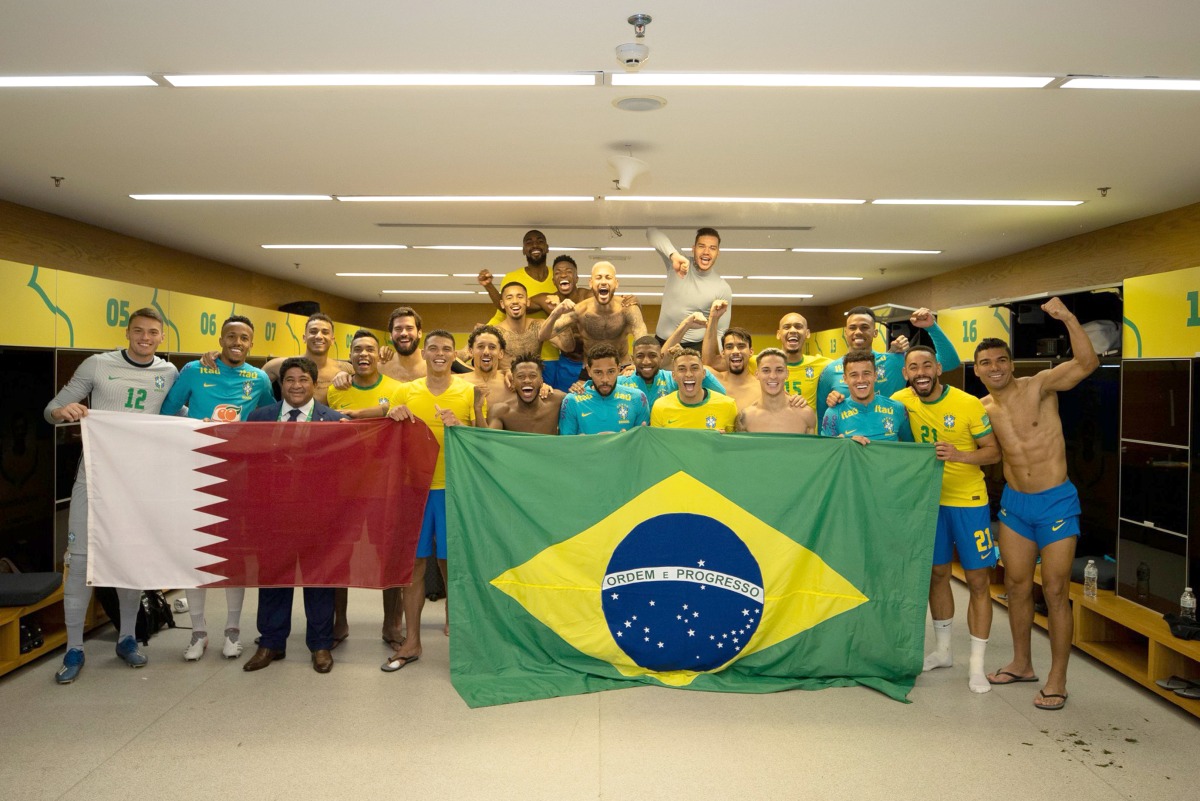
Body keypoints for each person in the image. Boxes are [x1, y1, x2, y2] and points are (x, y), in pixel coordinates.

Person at [44, 307, 179, 684]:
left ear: (162, 337)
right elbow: (51, 409)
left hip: (137, 480)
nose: (145, 337)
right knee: (81, 558)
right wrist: (63, 411)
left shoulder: (168, 372)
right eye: (138, 331)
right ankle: (74, 647)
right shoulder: (97, 365)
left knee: (129, 557)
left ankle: (126, 638)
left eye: (153, 332)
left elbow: (174, 412)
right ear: (127, 332)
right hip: (95, 475)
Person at [978, 298, 1098, 711]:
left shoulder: (1040, 386)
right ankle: (1021, 663)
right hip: (1015, 505)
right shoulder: (983, 410)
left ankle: (1058, 679)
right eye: (985, 363)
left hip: (1056, 503)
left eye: (1000, 360)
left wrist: (1066, 317)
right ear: (976, 370)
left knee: (1056, 588)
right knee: (1014, 585)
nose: (994, 368)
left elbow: (1086, 364)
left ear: (1011, 364)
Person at [160, 314, 274, 661]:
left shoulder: (258, 378)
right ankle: (197, 632)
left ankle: (232, 631)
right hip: (195, 471)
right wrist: (195, 426)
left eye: (244, 338)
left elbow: (268, 419)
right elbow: (167, 412)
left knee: (232, 554)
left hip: (239, 476)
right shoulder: (195, 370)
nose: (237, 343)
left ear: (251, 344)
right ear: (220, 339)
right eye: (231, 337)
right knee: (195, 552)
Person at [892, 345, 1001, 694]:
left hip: (968, 502)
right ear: (906, 373)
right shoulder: (899, 401)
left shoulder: (968, 403)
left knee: (978, 580)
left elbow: (993, 452)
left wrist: (959, 455)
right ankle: (942, 652)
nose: (920, 372)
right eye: (913, 367)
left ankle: (977, 666)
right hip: (927, 503)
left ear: (939, 368)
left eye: (927, 365)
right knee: (937, 575)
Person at [382, 331, 484, 671]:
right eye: (434, 349)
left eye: (446, 349)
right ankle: (411, 642)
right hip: (416, 490)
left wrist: (461, 428)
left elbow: (484, 440)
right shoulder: (404, 391)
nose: (439, 354)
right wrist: (390, 416)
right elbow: (388, 438)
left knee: (452, 565)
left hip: (455, 489)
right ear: (424, 353)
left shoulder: (469, 391)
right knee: (414, 565)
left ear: (455, 354)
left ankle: (459, 633)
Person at [243, 358, 346, 674]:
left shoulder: (335, 422)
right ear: (281, 384)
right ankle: (271, 643)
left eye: (303, 379)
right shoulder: (260, 418)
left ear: (315, 384)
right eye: (289, 379)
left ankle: (320, 645)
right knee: (273, 578)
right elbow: (247, 467)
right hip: (273, 516)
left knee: (319, 581)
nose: (296, 385)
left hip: (319, 517)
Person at [324, 329, 408, 648]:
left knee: (389, 554)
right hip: (344, 485)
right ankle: (339, 623)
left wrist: (368, 412)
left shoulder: (397, 389)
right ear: (350, 353)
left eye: (369, 349)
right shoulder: (336, 390)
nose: (363, 354)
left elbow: (399, 413)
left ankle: (391, 627)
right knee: (340, 555)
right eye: (357, 349)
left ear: (379, 354)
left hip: (384, 483)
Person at [818, 307, 961, 405]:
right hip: (849, 445)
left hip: (890, 444)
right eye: (852, 327)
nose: (858, 332)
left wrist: (931, 327)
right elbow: (823, 419)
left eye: (865, 327)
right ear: (845, 332)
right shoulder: (830, 371)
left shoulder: (894, 361)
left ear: (875, 332)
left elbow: (950, 362)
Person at [542, 262, 647, 367]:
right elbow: (544, 335)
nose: (603, 282)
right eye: (599, 277)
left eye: (608, 277)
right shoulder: (580, 310)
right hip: (591, 369)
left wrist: (635, 366)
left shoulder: (628, 308)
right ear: (591, 283)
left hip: (623, 367)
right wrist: (556, 311)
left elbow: (642, 340)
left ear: (616, 283)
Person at [647, 226, 732, 346]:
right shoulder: (678, 262)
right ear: (693, 248)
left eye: (712, 248)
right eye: (701, 246)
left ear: (718, 253)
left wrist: (712, 360)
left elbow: (720, 332)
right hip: (661, 342)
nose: (706, 252)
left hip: (694, 347)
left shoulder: (722, 288)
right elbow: (651, 233)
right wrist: (674, 256)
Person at [819, 350, 911, 443]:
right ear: (845, 379)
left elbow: (911, 449)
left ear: (875, 376)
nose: (861, 380)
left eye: (866, 373)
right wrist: (845, 445)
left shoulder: (897, 409)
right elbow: (825, 453)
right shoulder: (833, 414)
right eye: (854, 375)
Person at [559, 344, 649, 435]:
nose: (605, 379)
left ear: (618, 369)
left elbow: (642, 443)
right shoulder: (572, 401)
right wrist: (584, 444)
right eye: (598, 372)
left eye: (611, 371)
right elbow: (566, 445)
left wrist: (626, 442)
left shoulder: (637, 398)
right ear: (589, 370)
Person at [261, 313, 349, 404]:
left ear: (332, 340)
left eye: (325, 332)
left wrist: (346, 375)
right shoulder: (278, 365)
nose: (319, 336)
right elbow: (253, 391)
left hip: (328, 418)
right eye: (313, 332)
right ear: (304, 338)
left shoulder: (344, 368)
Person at [620, 335, 725, 410]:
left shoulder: (673, 378)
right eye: (640, 356)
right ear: (632, 359)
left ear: (661, 357)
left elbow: (721, 394)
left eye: (652, 355)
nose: (646, 361)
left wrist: (685, 358)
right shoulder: (620, 382)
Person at [650, 349, 738, 432]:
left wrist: (719, 441)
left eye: (694, 368)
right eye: (682, 369)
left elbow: (733, 445)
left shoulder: (728, 405)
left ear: (704, 373)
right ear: (674, 376)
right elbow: (656, 445)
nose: (689, 374)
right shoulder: (660, 407)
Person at [736, 348, 817, 434]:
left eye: (779, 370)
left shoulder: (806, 415)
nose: (773, 376)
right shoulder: (745, 418)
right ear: (757, 374)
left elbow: (812, 447)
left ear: (787, 374)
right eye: (766, 370)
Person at [700, 300, 760, 409]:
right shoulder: (712, 380)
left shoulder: (762, 387)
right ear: (723, 353)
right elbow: (706, 361)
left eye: (741, 346)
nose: (735, 351)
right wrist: (713, 318)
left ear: (751, 352)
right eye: (729, 347)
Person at [486, 355, 565, 434]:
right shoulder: (501, 412)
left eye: (532, 376)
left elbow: (576, 402)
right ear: (513, 382)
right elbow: (489, 441)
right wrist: (477, 409)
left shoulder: (557, 401)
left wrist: (577, 386)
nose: (527, 380)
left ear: (541, 381)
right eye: (520, 376)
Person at [776, 311, 832, 410]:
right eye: (787, 327)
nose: (793, 330)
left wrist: (838, 394)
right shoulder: (761, 364)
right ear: (778, 334)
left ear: (807, 333)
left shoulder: (823, 364)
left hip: (809, 424)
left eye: (798, 326)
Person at [461, 325, 514, 414]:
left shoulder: (511, 384)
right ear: (471, 351)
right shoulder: (458, 381)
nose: (486, 352)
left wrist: (544, 387)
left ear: (501, 353)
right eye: (480, 346)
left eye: (492, 347)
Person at [379, 306, 426, 383]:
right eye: (398, 329)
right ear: (390, 335)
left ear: (419, 333)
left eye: (409, 328)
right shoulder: (380, 367)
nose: (404, 333)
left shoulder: (433, 366)